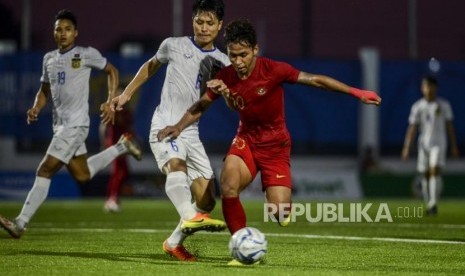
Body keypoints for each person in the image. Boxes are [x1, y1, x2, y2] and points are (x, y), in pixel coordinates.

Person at [157, 18, 381, 249]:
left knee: (280, 212)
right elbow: (201, 105)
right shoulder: (226, 76)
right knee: (228, 184)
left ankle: (278, 204)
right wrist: (179, 125)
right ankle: (241, 246)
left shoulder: (274, 70)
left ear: (255, 49)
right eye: (233, 55)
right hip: (246, 139)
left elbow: (316, 80)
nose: (238, 61)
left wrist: (357, 92)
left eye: (243, 54)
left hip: (276, 145)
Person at [0, 9, 142, 239]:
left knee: (44, 170)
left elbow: (111, 70)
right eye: (58, 29)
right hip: (60, 126)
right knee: (82, 174)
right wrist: (36, 107)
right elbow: (43, 90)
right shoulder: (49, 59)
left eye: (67, 29)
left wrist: (109, 101)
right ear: (54, 33)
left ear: (75, 33)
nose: (62, 33)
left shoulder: (85, 54)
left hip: (75, 126)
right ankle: (122, 146)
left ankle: (20, 223)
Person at [110, 0, 229, 262]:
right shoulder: (173, 44)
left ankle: (173, 242)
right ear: (193, 21)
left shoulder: (223, 61)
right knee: (176, 165)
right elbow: (151, 66)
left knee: (207, 199)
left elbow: (233, 98)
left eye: (210, 23)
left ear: (220, 26)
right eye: (199, 21)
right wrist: (126, 94)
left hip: (191, 131)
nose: (204, 27)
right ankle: (188, 217)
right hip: (165, 124)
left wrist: (225, 90)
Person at [401, 75, 459, 216]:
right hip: (423, 144)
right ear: (422, 88)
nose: (428, 89)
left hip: (438, 143)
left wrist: (454, 145)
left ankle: (433, 202)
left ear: (435, 88)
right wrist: (406, 147)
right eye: (426, 86)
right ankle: (429, 203)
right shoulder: (418, 106)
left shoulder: (443, 105)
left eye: (431, 86)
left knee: (434, 171)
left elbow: (449, 126)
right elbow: (412, 128)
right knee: (426, 175)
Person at [100, 84, 136, 213]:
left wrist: (134, 141)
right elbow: (104, 127)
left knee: (123, 171)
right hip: (114, 143)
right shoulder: (113, 109)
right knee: (117, 172)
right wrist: (104, 142)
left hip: (124, 143)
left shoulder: (127, 111)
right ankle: (112, 199)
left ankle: (112, 198)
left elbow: (129, 128)